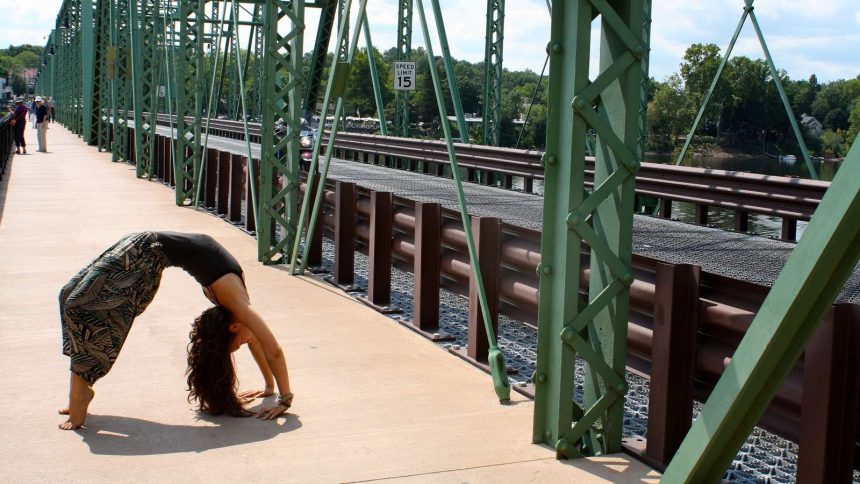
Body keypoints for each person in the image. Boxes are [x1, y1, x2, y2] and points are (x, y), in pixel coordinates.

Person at [58, 231, 294, 430]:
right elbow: (273, 351)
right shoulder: (239, 306)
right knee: (73, 299)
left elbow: (256, 342)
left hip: (149, 251)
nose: (246, 344)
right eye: (239, 345)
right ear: (233, 327)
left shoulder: (237, 311)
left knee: (76, 301)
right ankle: (81, 386)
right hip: (146, 250)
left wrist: (269, 387)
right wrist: (284, 399)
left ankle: (79, 388)